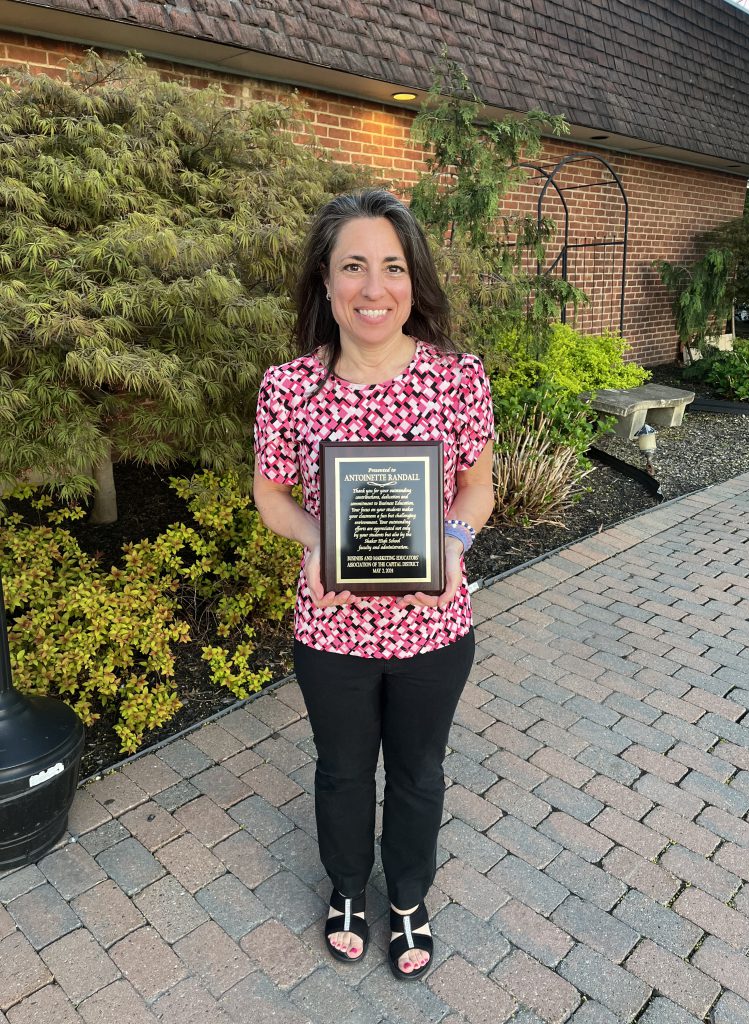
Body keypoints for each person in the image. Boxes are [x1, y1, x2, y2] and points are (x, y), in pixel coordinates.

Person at [253, 189, 494, 981]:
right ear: (325, 282)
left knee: (420, 771)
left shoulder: (459, 379)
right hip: (333, 632)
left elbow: (477, 489)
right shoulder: (288, 386)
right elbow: (269, 493)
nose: (372, 287)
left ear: (412, 280)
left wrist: (452, 546)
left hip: (433, 628)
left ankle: (409, 897)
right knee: (343, 770)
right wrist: (320, 541)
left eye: (391, 267)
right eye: (352, 266)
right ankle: (350, 888)